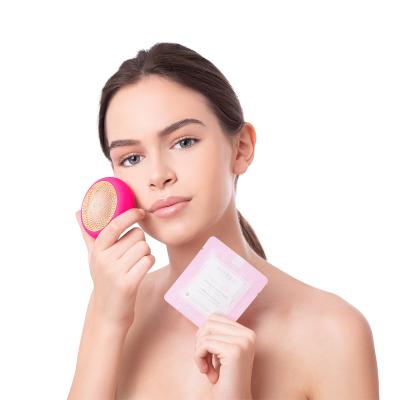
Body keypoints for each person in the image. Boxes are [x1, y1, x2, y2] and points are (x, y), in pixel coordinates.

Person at [67, 42, 379, 400]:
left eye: (184, 142)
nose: (158, 175)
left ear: (241, 148)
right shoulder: (119, 311)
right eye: (132, 158)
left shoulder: (332, 333)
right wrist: (105, 320)